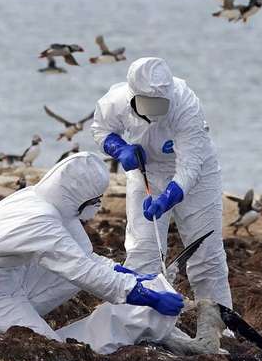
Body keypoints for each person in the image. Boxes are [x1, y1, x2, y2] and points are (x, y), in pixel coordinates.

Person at [0, 152, 184, 353]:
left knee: (69, 276)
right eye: (95, 199)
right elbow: (82, 271)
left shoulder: (50, 202)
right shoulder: (40, 220)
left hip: (4, 278)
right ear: (79, 195)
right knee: (48, 349)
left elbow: (85, 256)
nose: (98, 205)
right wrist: (147, 297)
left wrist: (130, 275)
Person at [92, 57, 232, 308]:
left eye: (160, 104)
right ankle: (137, 320)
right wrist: (119, 148)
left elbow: (190, 165)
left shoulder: (186, 104)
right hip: (146, 171)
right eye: (148, 104)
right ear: (133, 96)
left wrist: (168, 197)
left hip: (197, 176)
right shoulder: (116, 101)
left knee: (207, 256)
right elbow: (101, 129)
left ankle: (217, 322)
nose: (155, 111)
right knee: (143, 252)